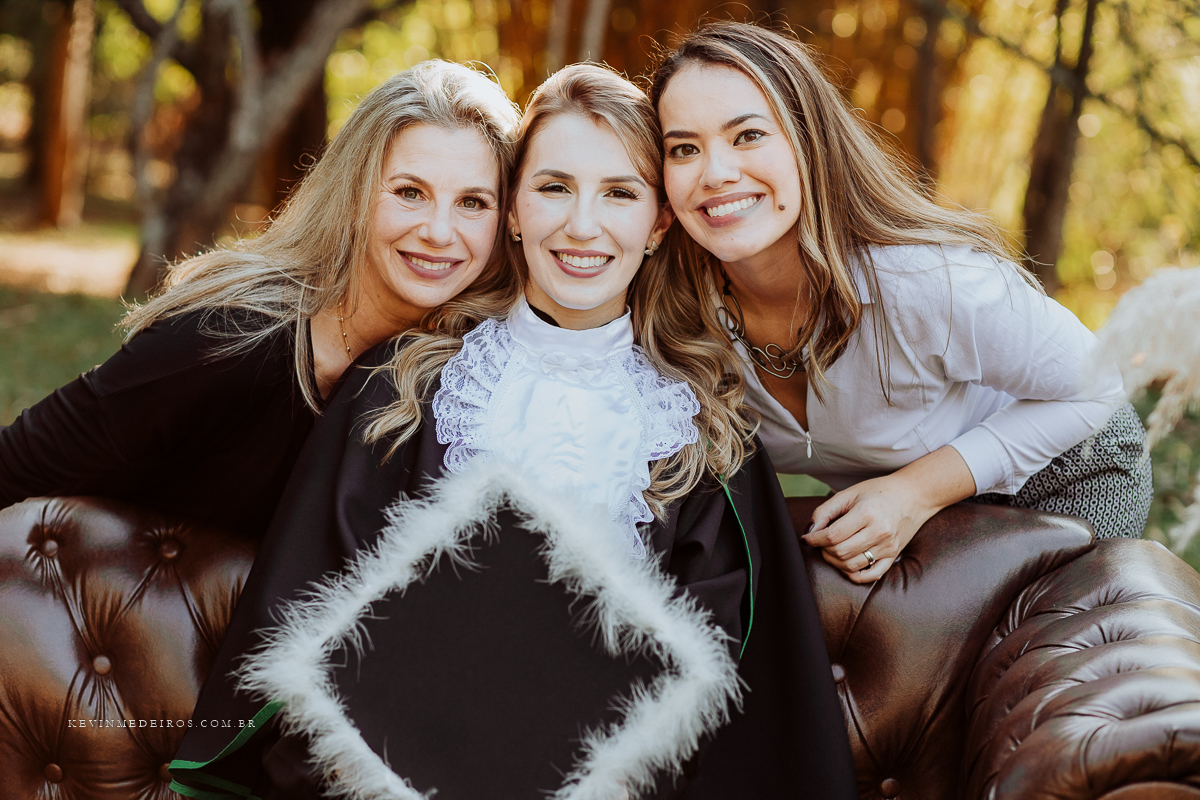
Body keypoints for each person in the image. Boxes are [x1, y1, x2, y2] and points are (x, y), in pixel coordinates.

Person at [167, 63, 857, 800]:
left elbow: (718, 686)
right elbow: (315, 618)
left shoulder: (701, 435)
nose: (581, 225)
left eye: (619, 193)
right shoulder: (403, 389)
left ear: (658, 224)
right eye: (554, 187)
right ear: (514, 212)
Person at [650, 21, 1152, 585]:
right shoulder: (676, 318)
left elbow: (1098, 383)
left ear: (808, 141)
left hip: (1062, 470)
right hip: (907, 516)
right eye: (684, 149)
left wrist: (913, 493)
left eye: (747, 136)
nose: (715, 173)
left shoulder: (922, 280)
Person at [0, 60, 519, 540]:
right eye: (410, 192)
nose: (439, 231)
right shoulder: (224, 337)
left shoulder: (470, 379)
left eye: (473, 202)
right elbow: (14, 465)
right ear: (354, 194)